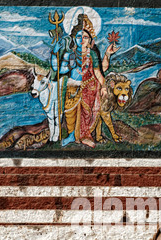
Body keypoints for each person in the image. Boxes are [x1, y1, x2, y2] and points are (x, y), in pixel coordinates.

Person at [50, 13, 119, 148]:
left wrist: (104, 86)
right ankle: (71, 135)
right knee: (70, 114)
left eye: (85, 37)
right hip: (72, 88)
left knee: (86, 114)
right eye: (79, 37)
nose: (82, 40)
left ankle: (84, 136)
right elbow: (59, 70)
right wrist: (55, 53)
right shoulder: (70, 54)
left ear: (90, 41)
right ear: (74, 39)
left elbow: (98, 72)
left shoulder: (92, 54)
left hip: (89, 89)